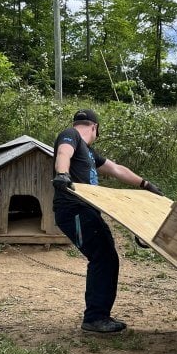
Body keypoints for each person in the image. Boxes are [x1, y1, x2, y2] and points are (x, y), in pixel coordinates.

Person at [52, 109, 163, 333]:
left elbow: (115, 169)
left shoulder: (89, 153)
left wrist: (145, 184)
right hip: (73, 210)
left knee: (107, 257)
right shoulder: (71, 135)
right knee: (103, 258)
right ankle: (94, 318)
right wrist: (63, 174)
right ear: (94, 127)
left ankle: (97, 315)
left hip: (87, 211)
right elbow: (63, 153)